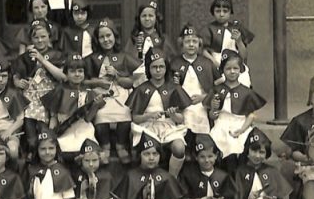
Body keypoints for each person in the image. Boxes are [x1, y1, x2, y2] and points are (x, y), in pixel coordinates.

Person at [127, 47, 191, 177]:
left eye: (161, 67)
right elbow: (135, 118)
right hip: (148, 127)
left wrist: (173, 115)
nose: (158, 70)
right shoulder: (141, 88)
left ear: (166, 67)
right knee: (151, 150)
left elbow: (180, 119)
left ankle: (172, 179)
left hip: (169, 127)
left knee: (179, 148)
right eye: (154, 67)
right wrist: (149, 115)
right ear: (148, 69)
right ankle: (151, 181)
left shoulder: (174, 88)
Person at [86, 18, 141, 164]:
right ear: (97, 40)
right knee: (101, 113)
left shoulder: (123, 57)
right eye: (102, 37)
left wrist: (118, 75)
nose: (106, 40)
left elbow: (134, 79)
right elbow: (82, 80)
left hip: (120, 92)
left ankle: (121, 144)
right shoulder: (91, 59)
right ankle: (105, 145)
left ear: (114, 36)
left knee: (124, 112)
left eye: (108, 35)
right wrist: (97, 82)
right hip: (101, 94)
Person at [13, 19, 66, 162]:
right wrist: (17, 82)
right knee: (29, 126)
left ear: (49, 36)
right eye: (36, 37)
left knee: (45, 128)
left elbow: (62, 76)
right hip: (31, 97)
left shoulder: (57, 54)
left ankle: (48, 152)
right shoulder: (25, 56)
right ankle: (31, 150)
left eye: (43, 36)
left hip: (50, 97)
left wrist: (42, 60)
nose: (40, 40)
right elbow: (15, 75)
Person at [41, 53, 106, 163]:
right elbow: (53, 115)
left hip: (83, 129)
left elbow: (88, 119)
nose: (77, 74)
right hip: (64, 130)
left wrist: (95, 105)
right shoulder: (59, 91)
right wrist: (52, 131)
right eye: (72, 71)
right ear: (66, 73)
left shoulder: (89, 92)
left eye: (80, 71)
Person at [209, 49, 267, 168]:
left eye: (235, 68)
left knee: (243, 146)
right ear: (222, 70)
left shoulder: (246, 92)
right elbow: (212, 116)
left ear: (240, 70)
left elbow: (251, 116)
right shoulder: (217, 90)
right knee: (226, 145)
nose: (232, 72)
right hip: (221, 124)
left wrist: (241, 130)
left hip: (241, 124)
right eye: (228, 69)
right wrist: (213, 109)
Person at [170, 23, 220, 136]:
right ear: (181, 43)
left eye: (194, 42)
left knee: (201, 119)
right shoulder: (175, 63)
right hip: (182, 106)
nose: (191, 45)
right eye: (187, 42)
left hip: (202, 104)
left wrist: (205, 97)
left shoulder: (207, 63)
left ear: (200, 43)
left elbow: (219, 85)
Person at [201, 0, 254, 87]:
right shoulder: (209, 29)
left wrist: (239, 41)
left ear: (230, 12)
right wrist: (215, 63)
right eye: (218, 11)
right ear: (213, 12)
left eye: (225, 11)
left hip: (236, 64)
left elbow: (243, 55)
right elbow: (203, 51)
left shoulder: (236, 28)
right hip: (217, 63)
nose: (221, 14)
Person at [127, 0, 171, 86]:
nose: (147, 19)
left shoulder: (163, 39)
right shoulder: (134, 39)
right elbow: (128, 61)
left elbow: (169, 60)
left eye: (150, 15)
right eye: (144, 16)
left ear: (156, 18)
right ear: (139, 18)